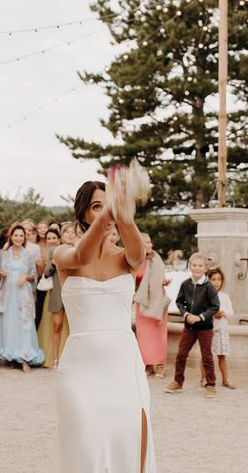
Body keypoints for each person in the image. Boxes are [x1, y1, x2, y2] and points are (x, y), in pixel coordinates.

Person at [52, 179, 155, 472]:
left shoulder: (125, 258)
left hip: (123, 363)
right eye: (97, 207)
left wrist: (123, 215)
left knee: (130, 433)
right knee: (85, 440)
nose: (105, 213)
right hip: (80, 367)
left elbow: (139, 255)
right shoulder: (63, 254)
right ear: (84, 214)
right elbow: (81, 256)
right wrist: (107, 215)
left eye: (108, 205)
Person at [165, 252, 220, 397]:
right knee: (181, 354)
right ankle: (178, 381)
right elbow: (179, 302)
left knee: (206, 356)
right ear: (190, 266)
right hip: (189, 327)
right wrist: (186, 314)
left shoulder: (209, 287)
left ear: (205, 268)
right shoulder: (185, 284)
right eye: (194, 265)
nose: (197, 268)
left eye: (200, 265)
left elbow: (215, 307)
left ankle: (211, 384)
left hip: (205, 328)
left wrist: (200, 317)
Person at [0, 224, 44, 372]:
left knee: (24, 324)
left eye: (21, 235)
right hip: (8, 293)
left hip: (22, 293)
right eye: (16, 235)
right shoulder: (4, 253)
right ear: (11, 236)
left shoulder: (27, 254)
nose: (18, 238)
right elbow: (0, 274)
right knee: (9, 323)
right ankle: (10, 356)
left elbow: (34, 274)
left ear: (24, 238)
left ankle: (25, 357)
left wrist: (25, 276)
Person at [134, 232, 169, 378]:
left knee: (159, 335)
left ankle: (160, 365)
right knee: (144, 336)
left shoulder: (156, 259)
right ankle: (147, 364)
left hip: (157, 300)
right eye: (146, 242)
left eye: (150, 242)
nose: (150, 245)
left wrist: (163, 282)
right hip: (142, 301)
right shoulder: (135, 260)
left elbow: (159, 278)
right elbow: (133, 278)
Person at [37, 227, 70, 369]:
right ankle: (55, 358)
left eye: (71, 232)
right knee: (57, 326)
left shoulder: (76, 250)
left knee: (74, 328)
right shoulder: (53, 252)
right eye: (66, 232)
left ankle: (71, 359)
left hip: (72, 292)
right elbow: (46, 273)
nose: (69, 234)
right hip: (56, 291)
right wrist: (52, 264)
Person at [201, 268, 235, 389]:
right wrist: (212, 314)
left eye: (219, 279)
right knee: (206, 355)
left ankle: (225, 379)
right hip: (209, 329)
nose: (216, 282)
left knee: (222, 355)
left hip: (222, 329)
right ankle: (204, 378)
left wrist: (223, 312)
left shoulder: (224, 296)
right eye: (213, 279)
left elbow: (231, 311)